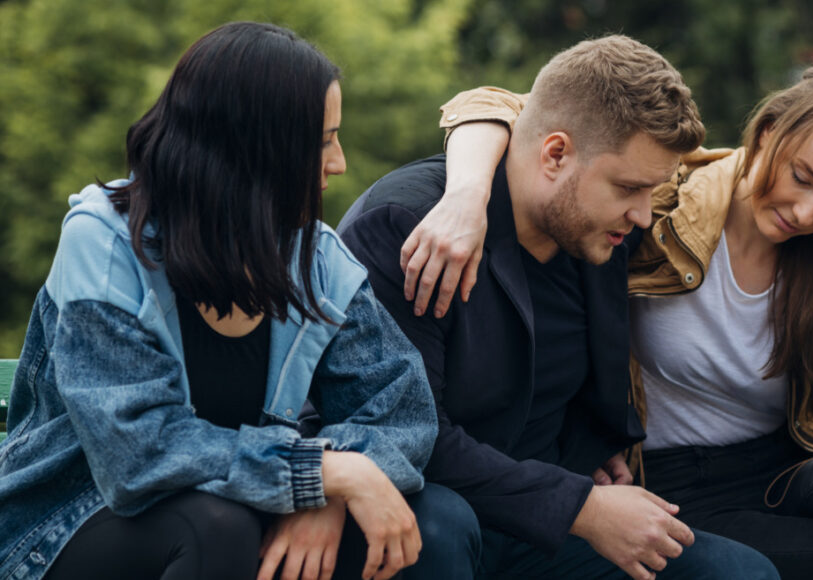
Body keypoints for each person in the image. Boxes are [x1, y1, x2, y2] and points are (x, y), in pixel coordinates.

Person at [400, 61, 813, 579]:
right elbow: (503, 108)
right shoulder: (661, 196)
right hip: (670, 483)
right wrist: (467, 195)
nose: (807, 212)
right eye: (802, 177)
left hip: (780, 474)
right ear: (769, 129)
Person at [0, 21, 471, 580]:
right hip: (67, 526)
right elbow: (138, 454)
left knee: (440, 524)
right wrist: (322, 474)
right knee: (216, 527)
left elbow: (402, 412)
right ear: (253, 147)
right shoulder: (104, 246)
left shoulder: (314, 259)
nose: (339, 162)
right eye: (322, 141)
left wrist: (328, 494)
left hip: (244, 508)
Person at [337, 35, 778, 580]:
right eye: (629, 188)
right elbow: (406, 438)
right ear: (555, 153)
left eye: (651, 191)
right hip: (436, 517)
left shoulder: (595, 227)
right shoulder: (409, 227)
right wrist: (580, 506)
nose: (644, 216)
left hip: (546, 528)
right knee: (437, 526)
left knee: (739, 574)